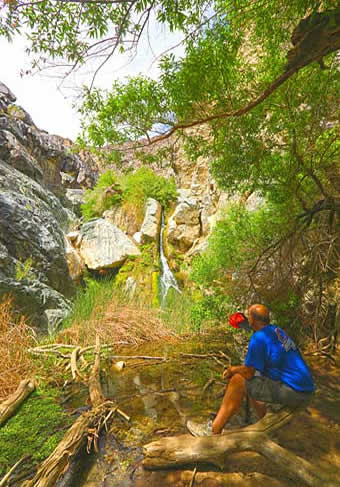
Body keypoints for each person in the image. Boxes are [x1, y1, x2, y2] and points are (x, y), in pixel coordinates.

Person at [187, 304, 315, 436]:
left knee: (239, 380)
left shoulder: (259, 338)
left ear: (252, 319)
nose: (247, 319)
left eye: (248, 316)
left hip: (296, 393)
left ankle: (212, 430)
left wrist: (232, 370)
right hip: (306, 389)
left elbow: (248, 373)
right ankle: (266, 427)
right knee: (253, 382)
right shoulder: (276, 331)